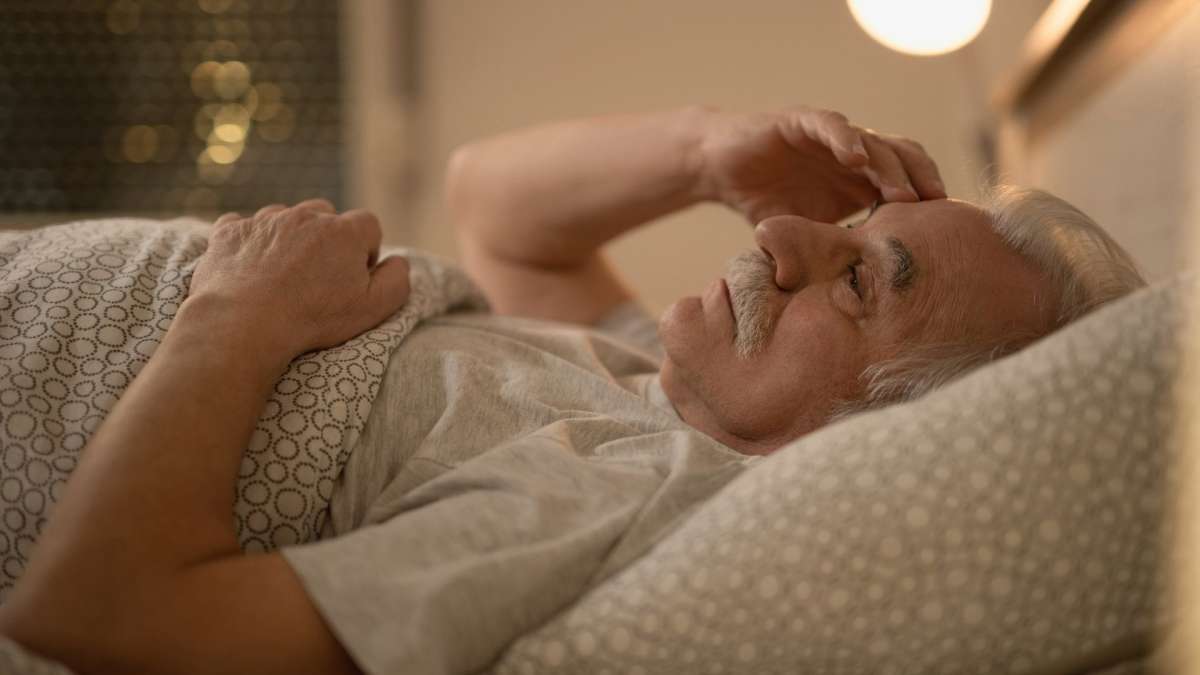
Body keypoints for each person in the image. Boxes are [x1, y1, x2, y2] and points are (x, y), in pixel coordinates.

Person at [0, 106, 1143, 674]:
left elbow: (104, 612)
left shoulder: (621, 490)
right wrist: (705, 151)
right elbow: (498, 207)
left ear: (883, 432)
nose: (781, 236)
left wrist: (234, 316)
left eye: (858, 281)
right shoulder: (651, 385)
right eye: (844, 224)